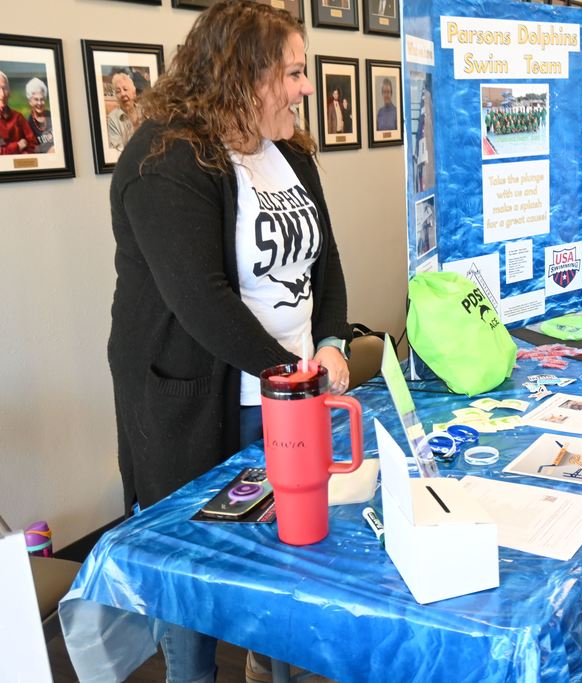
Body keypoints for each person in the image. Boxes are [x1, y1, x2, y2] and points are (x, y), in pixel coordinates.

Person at [108, 1, 352, 681]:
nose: (306, 87)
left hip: (284, 398)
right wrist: (293, 375)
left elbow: (324, 264)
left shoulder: (291, 152)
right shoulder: (165, 156)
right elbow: (200, 301)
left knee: (285, 568)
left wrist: (329, 340)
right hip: (196, 408)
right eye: (295, 73)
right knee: (199, 585)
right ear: (244, 74)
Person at [0, 70, 37, 154]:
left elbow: (33, 144)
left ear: (9, 91)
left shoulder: (18, 117)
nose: (2, 94)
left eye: (4, 88)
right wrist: (17, 146)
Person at [107, 71, 141, 151]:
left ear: (134, 93)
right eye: (118, 91)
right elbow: (117, 150)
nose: (122, 94)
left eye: (125, 89)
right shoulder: (113, 118)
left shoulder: (145, 112)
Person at [25, 78, 54, 153]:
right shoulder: (27, 123)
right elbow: (32, 148)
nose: (40, 103)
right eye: (36, 99)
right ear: (30, 101)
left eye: (42, 99)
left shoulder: (53, 116)